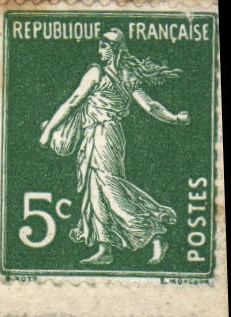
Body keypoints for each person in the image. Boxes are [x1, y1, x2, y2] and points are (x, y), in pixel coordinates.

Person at [39, 29, 189, 265]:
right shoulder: (127, 75)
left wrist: (48, 131)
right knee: (95, 190)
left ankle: (155, 235)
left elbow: (73, 102)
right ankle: (104, 248)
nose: (100, 51)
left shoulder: (96, 73)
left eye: (103, 46)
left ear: (114, 49)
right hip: (101, 136)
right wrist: (174, 118)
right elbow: (151, 106)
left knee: (110, 189)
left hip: (103, 136)